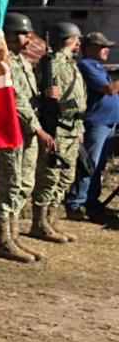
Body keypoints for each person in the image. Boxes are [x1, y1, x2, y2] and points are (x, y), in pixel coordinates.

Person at [0, 12, 55, 264]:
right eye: (24, 33)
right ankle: (2, 240)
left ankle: (13, 235)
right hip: (11, 129)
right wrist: (38, 129)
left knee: (24, 183)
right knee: (9, 183)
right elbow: (15, 99)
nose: (29, 38)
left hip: (28, 131)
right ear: (11, 35)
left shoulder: (23, 62)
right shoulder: (2, 61)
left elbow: (30, 96)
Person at [29, 21, 86, 244]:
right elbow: (38, 95)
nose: (79, 43)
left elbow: (79, 98)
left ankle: (52, 220)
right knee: (49, 176)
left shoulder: (72, 64)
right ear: (67, 40)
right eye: (76, 39)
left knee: (65, 177)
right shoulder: (50, 63)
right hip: (57, 128)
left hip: (72, 128)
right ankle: (40, 223)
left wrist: (79, 129)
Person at [65, 31, 119, 224]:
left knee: (98, 166)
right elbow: (109, 89)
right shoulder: (86, 65)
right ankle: (75, 202)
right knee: (89, 165)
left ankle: (91, 202)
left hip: (107, 123)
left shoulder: (97, 66)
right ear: (90, 48)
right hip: (96, 123)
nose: (107, 50)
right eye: (102, 47)